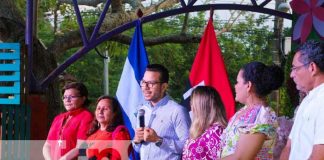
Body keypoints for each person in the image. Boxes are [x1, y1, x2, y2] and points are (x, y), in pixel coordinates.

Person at [221, 61, 284, 159]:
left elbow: (240, 158)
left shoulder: (261, 117)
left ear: (248, 85)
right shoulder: (246, 111)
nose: (235, 86)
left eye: (237, 82)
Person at [132, 64, 191, 160]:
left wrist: (158, 140)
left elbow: (188, 147)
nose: (145, 87)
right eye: (143, 82)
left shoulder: (177, 111)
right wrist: (137, 140)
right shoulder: (142, 110)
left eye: (151, 83)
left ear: (164, 86)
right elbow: (138, 149)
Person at [280, 40, 324, 160]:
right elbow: (289, 147)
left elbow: (319, 156)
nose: (291, 75)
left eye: (295, 68)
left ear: (312, 68)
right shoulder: (307, 101)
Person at [43, 82, 94, 160]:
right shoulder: (58, 118)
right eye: (65, 97)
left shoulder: (87, 116)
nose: (67, 100)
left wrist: (64, 158)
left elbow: (81, 147)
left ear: (83, 98)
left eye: (72, 97)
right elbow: (47, 145)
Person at [182, 86, 227, 159]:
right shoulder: (200, 130)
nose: (191, 107)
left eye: (193, 103)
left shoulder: (217, 132)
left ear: (201, 107)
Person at [85, 95, 132, 160]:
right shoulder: (92, 133)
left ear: (114, 113)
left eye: (105, 109)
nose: (100, 112)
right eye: (98, 108)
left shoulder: (120, 133)